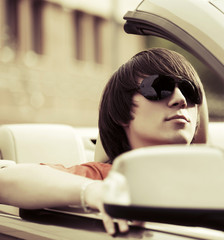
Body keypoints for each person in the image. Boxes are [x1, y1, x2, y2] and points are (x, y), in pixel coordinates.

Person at [0, 48, 212, 235]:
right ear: (121, 112)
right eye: (158, 87)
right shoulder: (106, 177)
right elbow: (4, 180)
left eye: (189, 91)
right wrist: (93, 192)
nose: (181, 99)